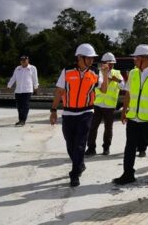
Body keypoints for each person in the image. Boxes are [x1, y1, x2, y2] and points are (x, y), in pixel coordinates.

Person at [50, 43, 103, 187]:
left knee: (80, 144)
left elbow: (103, 89)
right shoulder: (67, 71)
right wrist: (53, 110)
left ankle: (74, 174)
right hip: (68, 113)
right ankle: (80, 164)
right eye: (89, 58)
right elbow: (59, 91)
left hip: (86, 112)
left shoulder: (95, 73)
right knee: (70, 144)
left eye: (93, 58)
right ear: (80, 57)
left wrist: (105, 74)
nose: (92, 61)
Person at [114, 44, 148, 184]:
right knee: (130, 145)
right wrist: (124, 111)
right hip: (133, 117)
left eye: (136, 57)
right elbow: (128, 94)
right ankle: (128, 173)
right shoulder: (132, 73)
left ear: (145, 58)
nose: (134, 60)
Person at [86, 52, 124, 156]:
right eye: (107, 63)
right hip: (97, 104)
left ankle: (106, 148)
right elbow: (97, 85)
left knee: (108, 128)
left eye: (111, 63)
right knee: (93, 127)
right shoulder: (98, 73)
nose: (110, 65)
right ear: (103, 63)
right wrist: (105, 76)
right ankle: (91, 148)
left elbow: (124, 86)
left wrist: (117, 80)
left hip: (110, 106)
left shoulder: (117, 73)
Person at [7, 55, 38, 126]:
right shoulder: (17, 68)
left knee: (25, 105)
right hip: (18, 90)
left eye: (24, 60)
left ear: (28, 60)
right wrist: (9, 85)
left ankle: (23, 120)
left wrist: (35, 87)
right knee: (19, 106)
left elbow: (35, 79)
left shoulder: (32, 68)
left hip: (27, 90)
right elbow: (13, 77)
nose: (23, 62)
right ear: (20, 61)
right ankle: (20, 119)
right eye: (22, 60)